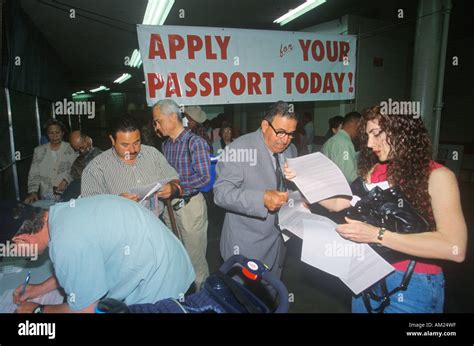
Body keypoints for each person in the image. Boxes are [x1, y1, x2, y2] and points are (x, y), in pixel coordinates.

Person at [289, 105, 466, 313]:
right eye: (367, 136)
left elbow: (455, 248)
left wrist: (376, 235)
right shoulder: (376, 170)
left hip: (412, 284)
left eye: (376, 134)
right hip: (366, 275)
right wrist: (303, 179)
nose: (370, 144)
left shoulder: (437, 176)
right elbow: (340, 202)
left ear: (401, 131)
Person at [11, 195, 195, 313]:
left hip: (163, 291)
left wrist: (38, 310)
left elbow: (86, 311)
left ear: (21, 240)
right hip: (175, 266)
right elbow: (83, 265)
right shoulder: (60, 213)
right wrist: (40, 289)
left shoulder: (64, 242)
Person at [213, 101, 298, 284]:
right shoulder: (238, 149)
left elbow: (289, 188)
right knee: (244, 301)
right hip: (246, 246)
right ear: (265, 125)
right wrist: (261, 199)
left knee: (273, 296)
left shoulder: (291, 150)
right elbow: (221, 193)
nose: (285, 140)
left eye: (291, 134)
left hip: (278, 244)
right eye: (281, 132)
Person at [152, 99, 211, 290]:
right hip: (170, 208)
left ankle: (202, 300)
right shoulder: (166, 145)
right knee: (177, 253)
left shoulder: (196, 143)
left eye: (158, 121)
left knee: (196, 260)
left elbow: (204, 179)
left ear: (172, 117)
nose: (156, 126)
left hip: (190, 208)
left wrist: (176, 188)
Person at [81, 116, 180, 216]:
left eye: (137, 142)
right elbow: (90, 209)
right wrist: (116, 203)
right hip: (120, 225)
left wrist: (173, 188)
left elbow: (176, 179)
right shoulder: (96, 168)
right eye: (125, 145)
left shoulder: (152, 154)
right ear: (112, 140)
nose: (133, 150)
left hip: (155, 221)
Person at [25, 119, 77, 204]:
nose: (54, 136)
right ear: (47, 135)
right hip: (46, 196)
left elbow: (77, 169)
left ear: (62, 133)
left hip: (68, 194)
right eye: (51, 133)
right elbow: (34, 173)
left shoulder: (71, 149)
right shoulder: (39, 151)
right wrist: (33, 192)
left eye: (57, 132)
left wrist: (66, 180)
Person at [321, 111, 361, 183]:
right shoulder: (344, 143)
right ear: (356, 124)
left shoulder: (333, 140)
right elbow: (349, 176)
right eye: (360, 127)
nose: (360, 131)